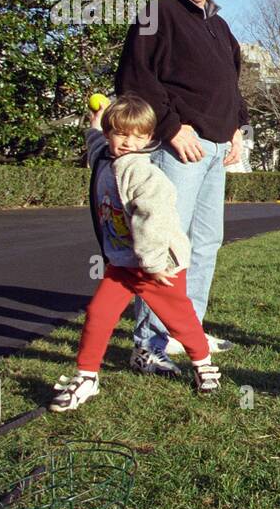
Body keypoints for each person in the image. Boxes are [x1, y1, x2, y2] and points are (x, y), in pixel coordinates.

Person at [115, 0, 247, 376]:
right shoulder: (156, 15)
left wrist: (237, 128)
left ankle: (185, 331)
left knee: (205, 243)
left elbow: (230, 85)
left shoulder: (219, 26)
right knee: (166, 245)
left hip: (216, 150)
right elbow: (135, 80)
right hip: (179, 148)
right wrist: (172, 127)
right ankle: (149, 345)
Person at [50, 95, 222, 411]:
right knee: (99, 313)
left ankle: (203, 363)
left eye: (138, 136)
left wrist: (154, 265)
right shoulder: (103, 156)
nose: (129, 142)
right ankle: (87, 376)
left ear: (149, 138)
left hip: (157, 266)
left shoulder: (142, 173)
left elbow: (154, 220)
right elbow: (94, 141)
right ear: (108, 134)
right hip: (122, 263)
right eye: (121, 134)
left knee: (179, 319)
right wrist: (95, 120)